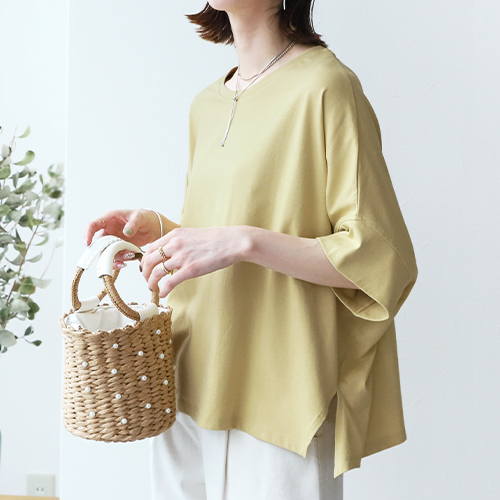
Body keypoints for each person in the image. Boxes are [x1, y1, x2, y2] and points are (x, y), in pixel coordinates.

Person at [83, 1, 418, 499]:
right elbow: (229, 235)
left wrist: (245, 241)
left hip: (280, 389)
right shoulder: (205, 104)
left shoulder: (327, 86)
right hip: (188, 379)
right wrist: (162, 230)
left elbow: (377, 255)